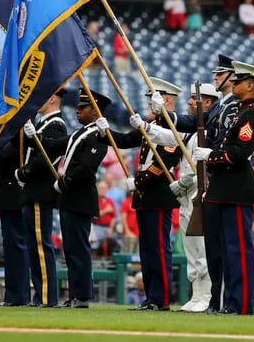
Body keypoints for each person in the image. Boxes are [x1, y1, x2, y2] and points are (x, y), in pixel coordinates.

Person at [24, 88, 111, 308]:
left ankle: (82, 296)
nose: (78, 111)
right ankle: (74, 294)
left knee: (79, 249)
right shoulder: (77, 133)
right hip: (69, 198)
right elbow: (53, 146)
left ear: (95, 110)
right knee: (70, 250)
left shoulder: (99, 136)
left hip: (80, 197)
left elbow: (86, 169)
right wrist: (34, 136)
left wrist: (63, 182)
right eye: (78, 107)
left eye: (83, 107)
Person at [191, 61, 254, 315]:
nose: (232, 84)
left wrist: (210, 155)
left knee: (237, 249)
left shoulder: (250, 116)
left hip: (235, 188)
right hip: (220, 187)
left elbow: (238, 153)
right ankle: (225, 301)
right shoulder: (236, 113)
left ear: (250, 85)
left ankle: (241, 303)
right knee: (220, 249)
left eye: (238, 81)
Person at [139, 82, 219, 312]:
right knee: (190, 246)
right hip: (185, 195)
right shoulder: (193, 129)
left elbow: (210, 165)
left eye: (194, 99)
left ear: (207, 102)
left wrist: (187, 180)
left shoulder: (210, 129)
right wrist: (147, 127)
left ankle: (207, 295)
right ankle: (196, 294)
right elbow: (170, 137)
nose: (189, 102)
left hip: (200, 192)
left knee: (202, 246)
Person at [108, 78, 183, 311]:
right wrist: (101, 130)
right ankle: (151, 297)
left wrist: (137, 182)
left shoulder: (173, 126)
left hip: (158, 193)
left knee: (159, 248)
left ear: (166, 100)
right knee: (147, 249)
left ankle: (161, 299)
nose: (150, 102)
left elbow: (163, 163)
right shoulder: (149, 125)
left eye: (154, 98)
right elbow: (123, 141)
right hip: (145, 195)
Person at [14, 90, 67, 307]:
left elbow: (45, 158)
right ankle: (40, 294)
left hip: (39, 190)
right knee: (34, 246)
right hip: (33, 191)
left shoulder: (55, 125)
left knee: (39, 245)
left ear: (52, 97)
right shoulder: (43, 124)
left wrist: (23, 173)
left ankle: (45, 296)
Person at [0, 137, 30, 307]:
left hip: (14, 201)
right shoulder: (13, 139)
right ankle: (13, 296)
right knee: (11, 251)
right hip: (8, 201)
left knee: (16, 250)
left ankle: (18, 296)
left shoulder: (20, 140)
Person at [92, 181, 117, 257]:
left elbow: (113, 217)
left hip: (108, 227)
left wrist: (111, 228)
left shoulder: (110, 201)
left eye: (104, 188)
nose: (102, 190)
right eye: (100, 188)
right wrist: (106, 210)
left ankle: (110, 262)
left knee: (115, 242)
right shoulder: (94, 200)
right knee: (94, 243)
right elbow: (94, 216)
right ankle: (93, 262)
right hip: (97, 226)